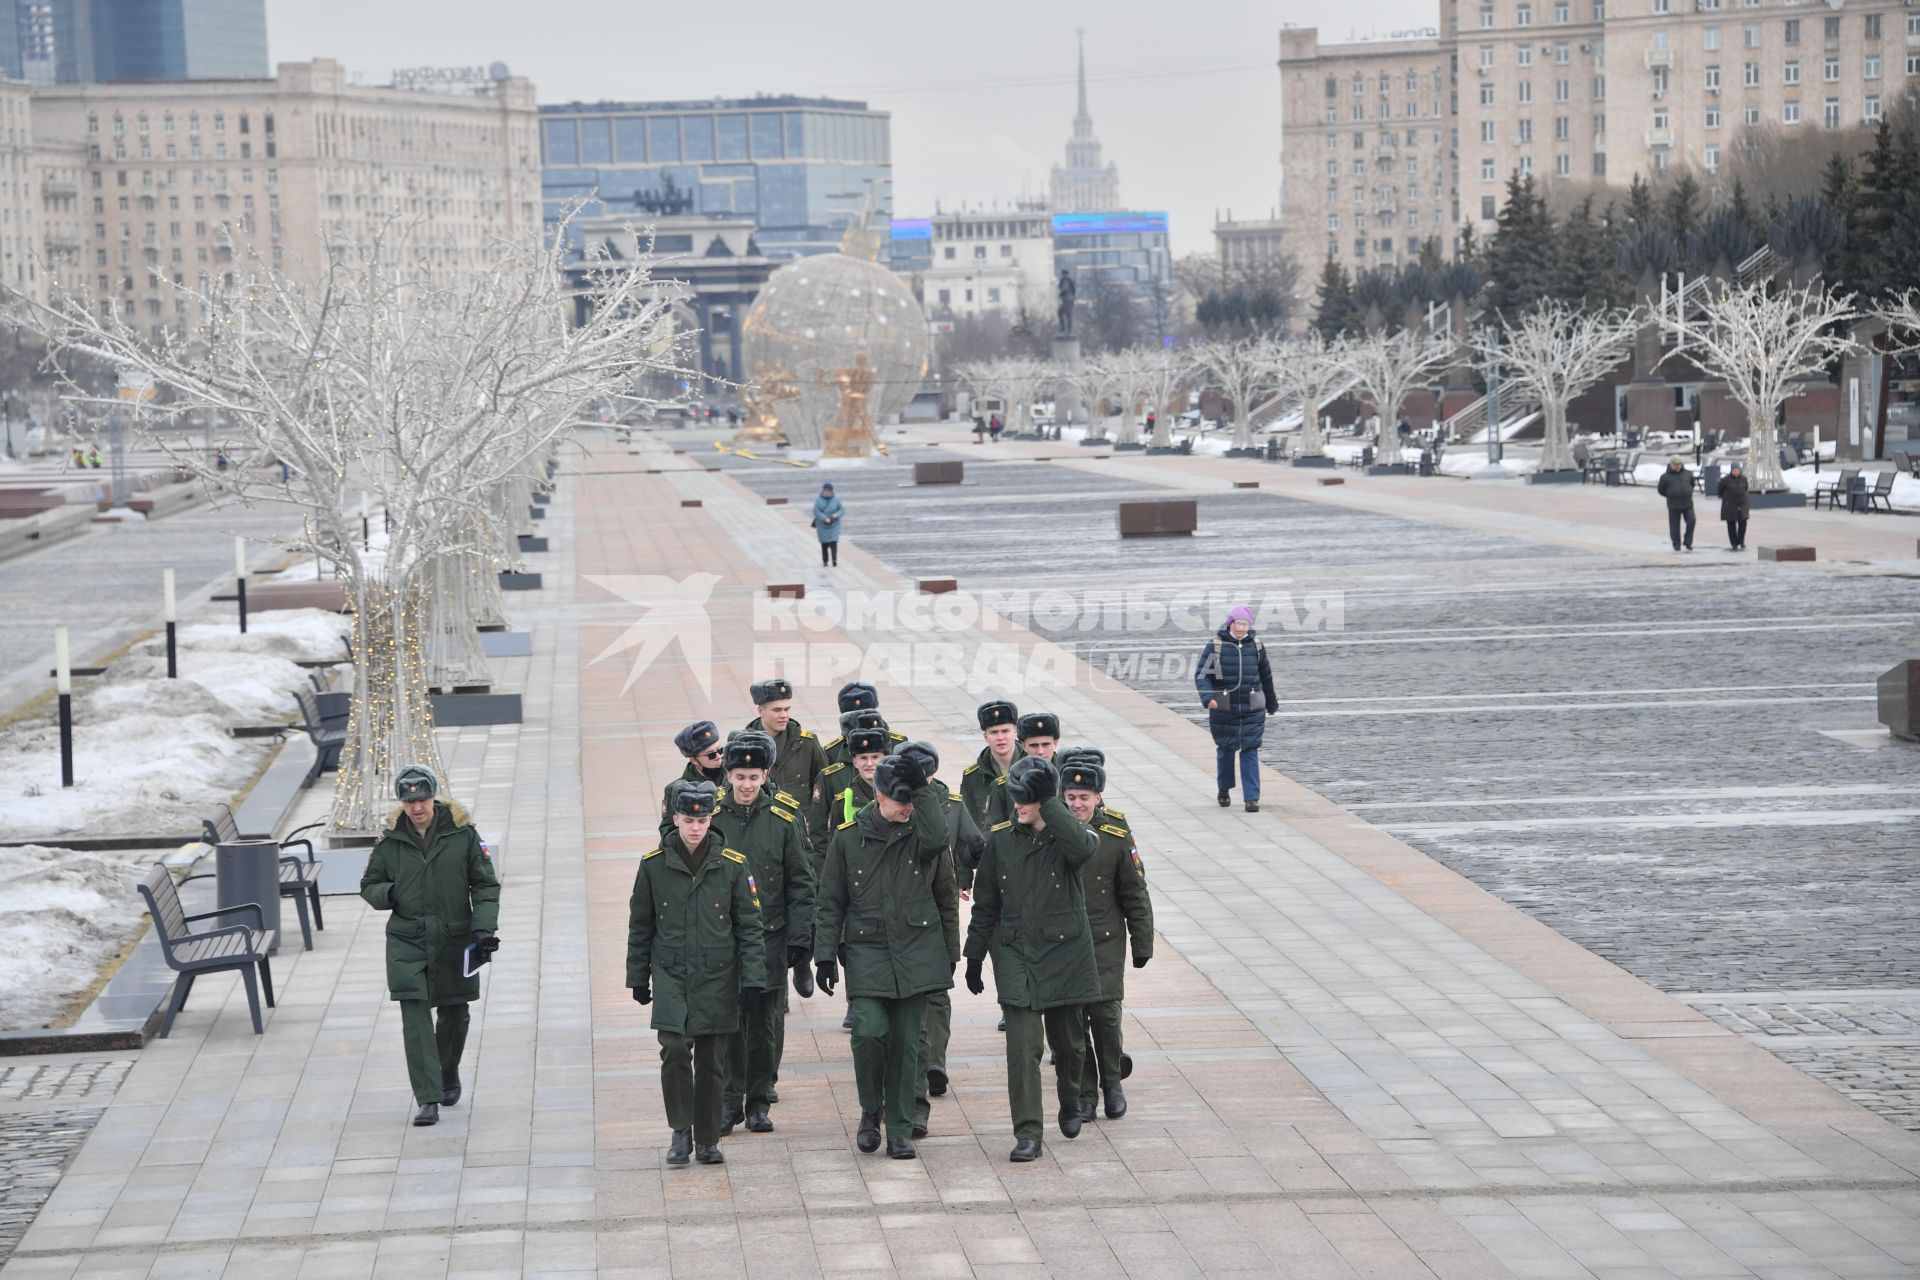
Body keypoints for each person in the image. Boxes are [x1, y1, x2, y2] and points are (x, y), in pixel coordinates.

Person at [813, 752, 951, 1160]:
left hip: (917, 951)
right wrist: (823, 955)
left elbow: (940, 841)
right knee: (869, 1034)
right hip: (867, 949)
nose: (907, 807)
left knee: (909, 1044)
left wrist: (922, 790)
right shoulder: (847, 838)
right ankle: (871, 1109)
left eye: (912, 799)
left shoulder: (921, 834)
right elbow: (831, 899)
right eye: (900, 799)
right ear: (879, 795)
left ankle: (901, 1129)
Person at [964, 756, 1099, 1163]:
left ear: (1042, 799)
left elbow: (1081, 848)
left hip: (1066, 951)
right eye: (1015, 799)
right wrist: (972, 956)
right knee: (1023, 1050)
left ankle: (1071, 1097)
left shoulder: (1073, 836)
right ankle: (1028, 1133)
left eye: (1025, 800)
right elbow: (985, 903)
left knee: (1070, 1044)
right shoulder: (1001, 840)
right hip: (1016, 951)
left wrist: (1049, 799)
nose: (1017, 806)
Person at [627, 780, 767, 1167]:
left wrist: (753, 978)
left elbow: (749, 927)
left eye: (702, 819)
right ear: (675, 819)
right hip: (671, 974)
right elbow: (641, 925)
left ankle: (706, 1139)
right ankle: (679, 1131)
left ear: (710, 819)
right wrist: (638, 976)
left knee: (711, 1060)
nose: (695, 827)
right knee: (673, 1050)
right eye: (688, 819)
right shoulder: (654, 865)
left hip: (717, 976)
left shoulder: (733, 865)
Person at [358, 764, 501, 1127]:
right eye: (409, 801)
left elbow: (484, 885)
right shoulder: (390, 842)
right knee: (415, 1017)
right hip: (407, 941)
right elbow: (369, 885)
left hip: (454, 940)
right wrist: (389, 893)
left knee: (455, 1014)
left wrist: (483, 929)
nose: (416, 808)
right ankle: (428, 1097)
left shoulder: (464, 835)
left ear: (433, 797)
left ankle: (447, 1070)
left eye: (422, 799)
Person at [715, 733, 814, 1136]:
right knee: (727, 1024)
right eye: (739, 776)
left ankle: (758, 1101)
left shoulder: (785, 819)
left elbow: (801, 883)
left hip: (770, 935)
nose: (746, 785)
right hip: (723, 938)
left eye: (754, 776)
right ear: (728, 775)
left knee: (763, 1026)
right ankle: (728, 1099)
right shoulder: (712, 819)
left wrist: (800, 940)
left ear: (766, 774)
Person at [1059, 757, 1153, 1123]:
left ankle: (1112, 1082)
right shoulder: (1053, 833)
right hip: (1065, 942)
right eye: (1070, 797)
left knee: (1105, 1016)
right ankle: (1085, 1093)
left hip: (1105, 939)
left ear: (1098, 797)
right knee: (1073, 1021)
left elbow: (1134, 892)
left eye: (1084, 797)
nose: (1077, 804)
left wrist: (1142, 942)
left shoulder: (1114, 836)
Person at [894, 740, 977, 1129]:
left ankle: (935, 1062)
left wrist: (969, 869)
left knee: (937, 996)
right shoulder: (891, 801)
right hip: (899, 920)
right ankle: (918, 1065)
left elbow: (974, 844)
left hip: (935, 912)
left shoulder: (952, 803)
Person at [1195, 604, 1278, 812]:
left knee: (1250, 750)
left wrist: (1272, 702)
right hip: (1223, 704)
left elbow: (1266, 676)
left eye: (1245, 624)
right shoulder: (1216, 645)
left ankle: (1252, 798)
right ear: (1231, 623)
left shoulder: (1256, 645)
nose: (1241, 627)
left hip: (1253, 705)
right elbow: (1203, 676)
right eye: (1238, 623)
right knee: (1226, 749)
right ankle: (1224, 789)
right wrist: (1208, 698)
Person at [744, 678, 827, 819]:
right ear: (761, 711)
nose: (784, 715)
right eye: (777, 710)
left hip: (800, 824)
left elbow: (823, 787)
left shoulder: (808, 743)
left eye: (787, 709)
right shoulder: (744, 745)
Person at [959, 699, 1020, 864]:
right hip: (993, 860)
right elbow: (965, 827)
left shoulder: (1034, 768)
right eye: (994, 732)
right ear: (985, 736)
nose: (1000, 737)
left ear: (1015, 732)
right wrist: (964, 876)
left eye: (1005, 731)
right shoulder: (973, 777)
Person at [659, 720, 725, 841]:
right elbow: (667, 830)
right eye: (711, 755)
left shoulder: (735, 777)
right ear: (694, 760)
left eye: (720, 750)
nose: (718, 757)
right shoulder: (675, 790)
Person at [1657, 456, 1697, 552]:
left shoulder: (1688, 474)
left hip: (1687, 503)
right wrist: (1670, 495)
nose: (1677, 466)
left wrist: (1688, 491)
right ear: (1671, 465)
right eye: (1675, 465)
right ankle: (1676, 544)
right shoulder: (1665, 477)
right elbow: (1661, 490)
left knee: (1691, 521)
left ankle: (1688, 541)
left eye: (1679, 464)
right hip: (1673, 504)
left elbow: (1692, 483)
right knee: (1674, 526)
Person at [1720, 461, 1750, 551]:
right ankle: (1734, 543)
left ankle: (1741, 541)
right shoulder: (1726, 480)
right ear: (1731, 470)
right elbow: (1720, 490)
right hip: (1730, 506)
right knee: (1731, 524)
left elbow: (1746, 488)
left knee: (1743, 524)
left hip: (1742, 505)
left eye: (1738, 470)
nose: (1736, 472)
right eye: (1734, 470)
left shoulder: (1744, 479)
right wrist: (1726, 499)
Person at [813, 483, 844, 567]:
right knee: (824, 543)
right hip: (822, 525)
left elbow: (842, 510)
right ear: (823, 490)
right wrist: (824, 518)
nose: (827, 492)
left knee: (834, 541)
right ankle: (825, 561)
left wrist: (836, 515)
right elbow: (816, 511)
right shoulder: (818, 499)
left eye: (829, 490)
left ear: (832, 490)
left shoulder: (836, 499)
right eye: (826, 490)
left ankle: (834, 560)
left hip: (834, 524)